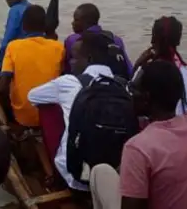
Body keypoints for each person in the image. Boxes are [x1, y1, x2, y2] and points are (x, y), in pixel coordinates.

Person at [89, 60, 187, 209]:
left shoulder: (138, 148)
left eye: (133, 89)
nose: (130, 94)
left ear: (146, 98)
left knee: (100, 172)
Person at [27, 32, 131, 193]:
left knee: (48, 108)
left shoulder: (68, 82)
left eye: (74, 58)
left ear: (88, 59)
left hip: (77, 177)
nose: (71, 63)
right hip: (116, 175)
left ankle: (53, 175)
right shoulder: (123, 85)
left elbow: (32, 96)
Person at [0, 4, 64, 127]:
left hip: (23, 118)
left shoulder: (13, 47)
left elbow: (2, 89)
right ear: (44, 26)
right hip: (52, 117)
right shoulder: (59, 47)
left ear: (23, 26)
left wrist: (9, 117)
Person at [133, 16, 187, 114]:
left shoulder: (145, 72)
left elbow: (131, 101)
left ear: (153, 40)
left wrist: (137, 65)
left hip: (158, 127)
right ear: (178, 41)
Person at [63, 3, 132, 76]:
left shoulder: (73, 40)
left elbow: (67, 69)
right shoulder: (115, 39)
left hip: (86, 83)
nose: (72, 23)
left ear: (85, 22)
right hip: (114, 82)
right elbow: (128, 68)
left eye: (76, 20)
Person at [0, 0, 30, 73]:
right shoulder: (31, 7)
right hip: (32, 50)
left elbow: (8, 38)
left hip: (18, 53)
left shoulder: (15, 10)